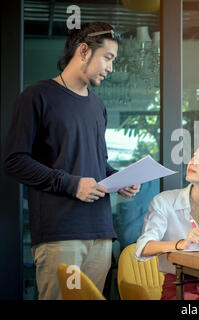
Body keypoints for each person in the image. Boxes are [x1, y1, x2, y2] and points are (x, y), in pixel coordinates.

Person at [3, 22, 141, 300]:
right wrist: (71, 184)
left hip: (101, 232)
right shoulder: (37, 96)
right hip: (61, 233)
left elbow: (96, 164)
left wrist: (119, 179)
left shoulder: (97, 106)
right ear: (83, 51)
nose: (111, 68)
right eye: (108, 57)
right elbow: (14, 160)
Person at [134, 139, 199, 300]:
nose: (192, 162)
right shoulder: (164, 201)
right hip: (178, 285)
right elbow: (142, 248)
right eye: (193, 156)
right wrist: (180, 244)